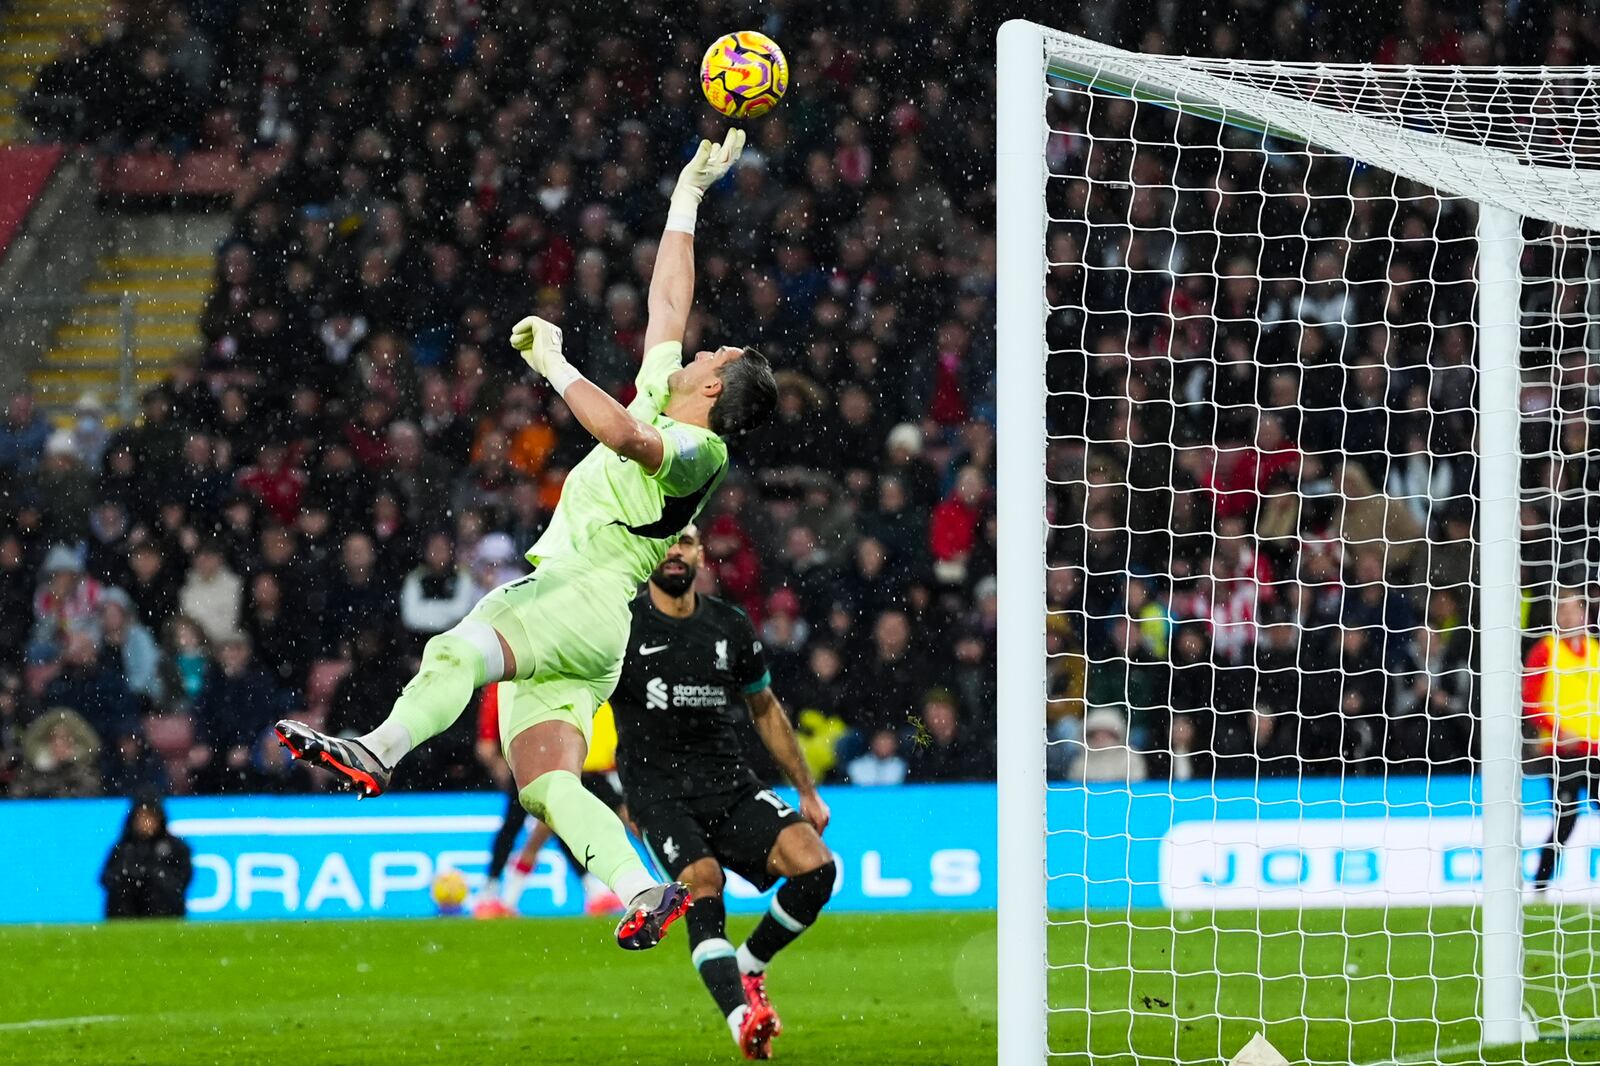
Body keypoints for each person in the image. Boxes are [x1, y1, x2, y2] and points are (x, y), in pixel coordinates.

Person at [274, 129, 778, 951]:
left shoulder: (700, 451)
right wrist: (687, 198)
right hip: (595, 637)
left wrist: (553, 364)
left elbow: (621, 437)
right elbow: (667, 305)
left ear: (715, 385)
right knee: (548, 787)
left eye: (711, 355)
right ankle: (640, 886)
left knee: (453, 653)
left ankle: (375, 749)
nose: (697, 349)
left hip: (576, 594)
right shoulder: (663, 392)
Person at [609, 526, 834, 1060]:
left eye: (684, 541)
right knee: (702, 885)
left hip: (728, 784)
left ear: (699, 553)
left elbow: (764, 709)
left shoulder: (729, 625)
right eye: (664, 543)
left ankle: (750, 966)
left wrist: (807, 791)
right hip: (660, 795)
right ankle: (742, 1019)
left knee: (817, 867)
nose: (674, 552)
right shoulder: (620, 627)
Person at [470, 683, 625, 919]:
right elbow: (491, 731)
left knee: (547, 829)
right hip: (532, 760)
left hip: (572, 763)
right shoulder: (509, 682)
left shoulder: (558, 675)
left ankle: (502, 897)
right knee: (526, 826)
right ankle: (492, 895)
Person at [1526, 589, 1600, 891]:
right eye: (1562, 611)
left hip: (1595, 751)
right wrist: (1558, 732)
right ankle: (1540, 885)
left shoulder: (1595, 651)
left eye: (1573, 611)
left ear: (1584, 615)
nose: (1567, 617)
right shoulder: (1546, 650)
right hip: (1563, 753)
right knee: (1566, 820)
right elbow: (1529, 701)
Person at [100, 791, 192, 919]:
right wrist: (129, 874)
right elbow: (106, 878)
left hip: (163, 910)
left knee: (160, 889)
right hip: (128, 910)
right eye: (141, 817)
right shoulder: (124, 847)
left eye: (150, 817)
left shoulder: (175, 847)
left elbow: (183, 879)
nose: (145, 823)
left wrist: (154, 874)